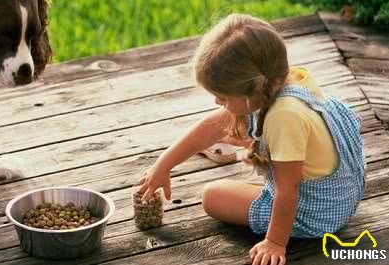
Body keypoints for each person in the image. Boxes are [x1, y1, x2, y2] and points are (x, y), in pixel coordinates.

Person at [137, 14, 365, 265]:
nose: (217, 102)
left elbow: (287, 190)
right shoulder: (288, 80)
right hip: (344, 192)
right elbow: (211, 127)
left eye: (223, 97)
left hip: (320, 214)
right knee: (238, 133)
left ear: (254, 89)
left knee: (213, 196)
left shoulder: (284, 116)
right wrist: (163, 164)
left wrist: (275, 243)